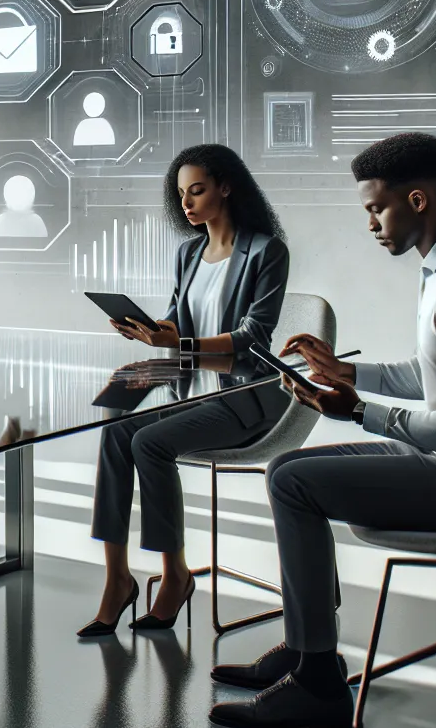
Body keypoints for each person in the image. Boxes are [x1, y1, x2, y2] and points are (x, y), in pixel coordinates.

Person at [209, 132, 436, 728]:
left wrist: (355, 409)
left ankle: (316, 683)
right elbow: (431, 377)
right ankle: (310, 648)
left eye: (375, 208)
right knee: (285, 470)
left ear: (417, 200)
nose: (369, 224)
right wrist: (346, 372)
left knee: (295, 484)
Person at [79, 144, 292, 637]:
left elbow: (253, 340)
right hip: (193, 390)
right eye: (180, 195)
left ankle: (175, 576)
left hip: (244, 398)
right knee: (114, 427)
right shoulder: (189, 252)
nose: (187, 203)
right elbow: (178, 319)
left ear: (226, 186)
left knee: (148, 442)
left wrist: (181, 342)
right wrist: (151, 330)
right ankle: (117, 578)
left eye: (196, 190)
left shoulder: (266, 251)